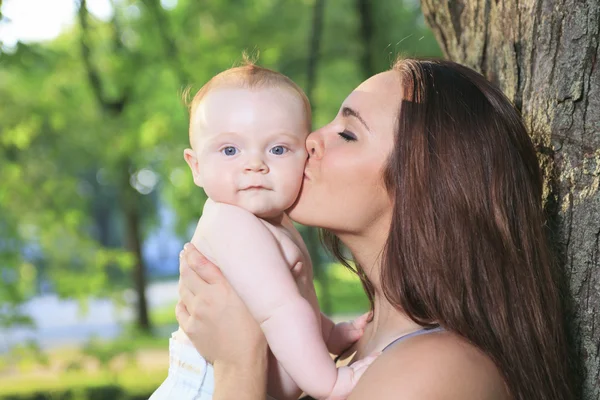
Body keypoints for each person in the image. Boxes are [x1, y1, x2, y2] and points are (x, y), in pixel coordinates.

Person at [176, 58, 577, 400]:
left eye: (347, 134)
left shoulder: (431, 374)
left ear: (422, 186)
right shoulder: (368, 347)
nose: (310, 139)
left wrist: (237, 363)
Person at [150, 63, 377, 400]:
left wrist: (331, 333)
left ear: (305, 155)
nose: (255, 163)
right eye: (230, 150)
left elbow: (293, 300)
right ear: (196, 166)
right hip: (203, 389)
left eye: (277, 149)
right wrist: (330, 384)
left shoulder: (273, 222)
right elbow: (280, 310)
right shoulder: (232, 223)